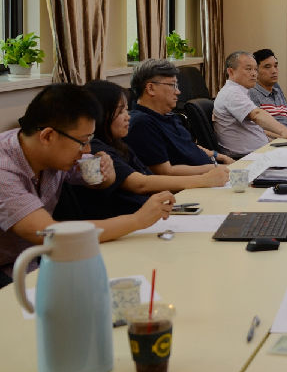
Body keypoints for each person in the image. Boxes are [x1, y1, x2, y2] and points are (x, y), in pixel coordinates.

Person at [0, 84, 175, 287]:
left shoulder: (52, 152)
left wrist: (107, 172)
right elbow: (49, 233)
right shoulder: (4, 169)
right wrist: (137, 220)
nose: (87, 150)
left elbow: (96, 180)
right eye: (83, 141)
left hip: (33, 263)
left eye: (90, 140)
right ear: (47, 136)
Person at [64, 80, 230, 219]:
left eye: (126, 109)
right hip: (132, 223)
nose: (127, 116)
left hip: (152, 213)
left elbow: (147, 177)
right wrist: (204, 180)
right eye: (120, 111)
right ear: (100, 115)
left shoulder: (119, 144)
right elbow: (141, 184)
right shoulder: (96, 149)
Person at [126, 59, 234, 175]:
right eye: (172, 85)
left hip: (214, 172)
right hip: (198, 181)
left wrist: (218, 156)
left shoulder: (169, 116)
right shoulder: (142, 124)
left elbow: (188, 146)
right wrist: (216, 168)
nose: (178, 92)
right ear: (151, 88)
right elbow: (165, 172)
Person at [215, 51, 287, 157]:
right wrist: (285, 131)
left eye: (255, 69)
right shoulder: (232, 93)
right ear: (231, 72)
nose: (254, 74)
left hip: (262, 151)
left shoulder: (241, 91)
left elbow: (256, 130)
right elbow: (256, 115)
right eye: (248, 69)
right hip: (246, 157)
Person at [248, 48, 287, 137]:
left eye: (275, 66)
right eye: (267, 67)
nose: (274, 71)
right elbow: (256, 129)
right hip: (278, 139)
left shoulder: (277, 91)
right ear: (255, 71)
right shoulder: (252, 93)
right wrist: (284, 136)